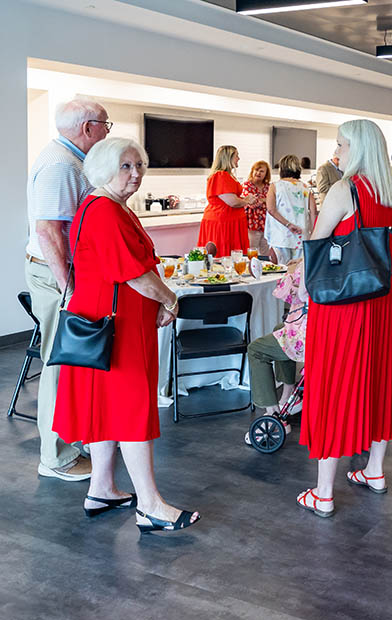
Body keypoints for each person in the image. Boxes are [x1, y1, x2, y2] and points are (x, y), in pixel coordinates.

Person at [53, 137, 199, 532]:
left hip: (108, 322)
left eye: (140, 166)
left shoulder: (104, 206)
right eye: (126, 166)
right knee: (131, 409)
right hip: (117, 328)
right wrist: (171, 300)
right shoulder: (105, 212)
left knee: (109, 408)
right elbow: (135, 274)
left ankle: (101, 488)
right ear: (104, 168)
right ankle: (150, 504)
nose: (136, 174)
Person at [297, 119, 392, 518]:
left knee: (334, 383)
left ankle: (324, 492)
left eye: (340, 145)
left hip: (342, 302)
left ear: (357, 149)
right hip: (377, 301)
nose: (335, 152)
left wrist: (310, 218)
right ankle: (374, 470)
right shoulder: (385, 191)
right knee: (377, 379)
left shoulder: (344, 190)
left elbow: (317, 243)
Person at [23, 98, 108, 482]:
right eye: (106, 124)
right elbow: (47, 231)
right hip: (57, 275)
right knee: (60, 364)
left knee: (74, 362)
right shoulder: (60, 164)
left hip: (67, 274)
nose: (109, 131)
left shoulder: (71, 160)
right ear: (88, 127)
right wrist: (69, 287)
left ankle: (75, 441)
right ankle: (55, 457)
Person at [246, 258, 306, 442]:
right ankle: (288, 394)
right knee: (279, 330)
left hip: (311, 330)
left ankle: (273, 414)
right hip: (328, 323)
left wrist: (291, 280)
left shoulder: (316, 252)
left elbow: (304, 294)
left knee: (256, 350)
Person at [199, 145, 250, 256]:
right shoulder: (220, 176)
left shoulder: (227, 175)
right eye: (237, 156)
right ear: (228, 158)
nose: (239, 159)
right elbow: (233, 202)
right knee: (223, 255)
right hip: (223, 222)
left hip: (230, 220)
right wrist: (247, 200)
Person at [266, 154, 315, 264]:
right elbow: (313, 212)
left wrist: (288, 224)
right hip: (302, 236)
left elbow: (271, 209)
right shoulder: (305, 187)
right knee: (297, 271)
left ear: (281, 168)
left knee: (279, 271)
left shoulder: (275, 186)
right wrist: (313, 233)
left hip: (280, 236)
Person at [242, 160, 271, 254]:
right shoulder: (246, 185)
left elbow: (273, 202)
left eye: (262, 171)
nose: (258, 173)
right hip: (251, 225)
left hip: (266, 224)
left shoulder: (268, 187)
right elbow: (252, 203)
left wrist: (262, 200)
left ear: (266, 174)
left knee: (266, 253)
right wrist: (265, 200)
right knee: (251, 252)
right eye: (256, 170)